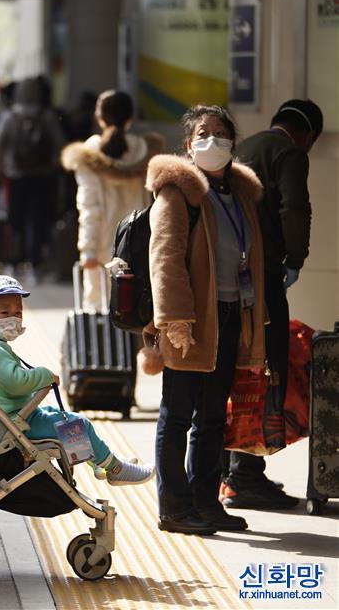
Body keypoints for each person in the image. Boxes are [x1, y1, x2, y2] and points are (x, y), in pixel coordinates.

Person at [145, 105, 267, 535]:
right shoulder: (178, 192)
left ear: (233, 142)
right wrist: (175, 319)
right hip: (191, 321)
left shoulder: (241, 192)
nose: (212, 141)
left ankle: (205, 501)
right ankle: (174, 507)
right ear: (188, 144)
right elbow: (165, 259)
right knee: (178, 413)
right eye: (203, 134)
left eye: (221, 133)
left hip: (231, 315)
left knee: (213, 415)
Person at [220, 99, 324, 510]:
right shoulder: (291, 153)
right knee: (267, 367)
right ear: (307, 134)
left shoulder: (244, 148)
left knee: (236, 367)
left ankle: (231, 471)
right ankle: (244, 476)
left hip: (232, 277)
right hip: (263, 279)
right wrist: (294, 260)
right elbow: (294, 209)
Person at [0, 275, 155, 485]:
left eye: (18, 312)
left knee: (59, 416)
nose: (14, 318)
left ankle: (99, 462)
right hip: (16, 423)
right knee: (78, 425)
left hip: (14, 417)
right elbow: (15, 383)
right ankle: (115, 469)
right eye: (5, 312)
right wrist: (44, 375)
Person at [61, 90, 164, 310]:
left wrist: (87, 250)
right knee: (139, 309)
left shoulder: (89, 155)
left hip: (102, 249)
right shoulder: (145, 152)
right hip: (140, 244)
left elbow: (89, 207)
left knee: (101, 310)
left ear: (99, 118)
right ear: (130, 118)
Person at [0, 77, 65, 281]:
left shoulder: (8, 116)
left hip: (15, 178)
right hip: (42, 177)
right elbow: (59, 147)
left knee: (14, 222)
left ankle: (13, 263)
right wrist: (52, 169)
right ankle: (35, 266)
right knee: (38, 222)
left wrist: (0, 173)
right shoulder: (46, 116)